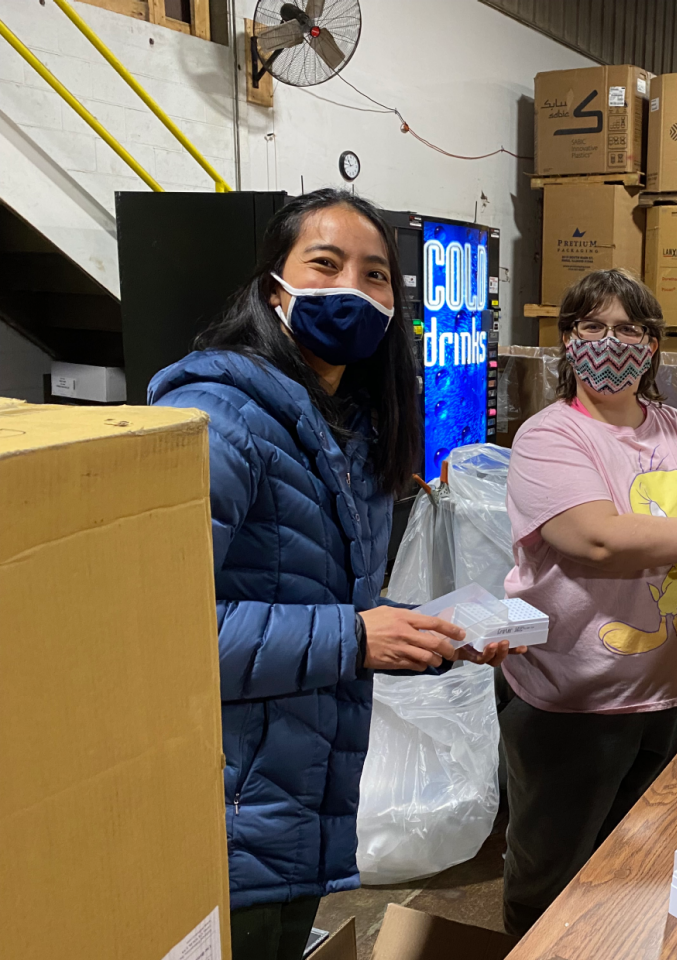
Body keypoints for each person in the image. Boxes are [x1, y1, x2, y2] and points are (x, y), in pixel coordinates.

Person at [150, 189, 515, 960]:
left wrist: (433, 634)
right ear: (272, 287)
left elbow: (320, 600)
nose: (353, 286)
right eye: (326, 263)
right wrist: (355, 637)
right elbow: (166, 635)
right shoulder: (222, 420)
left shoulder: (351, 425)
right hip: (229, 806)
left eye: (375, 273)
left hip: (302, 795)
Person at [497, 268, 677, 935]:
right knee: (556, 875)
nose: (611, 342)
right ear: (568, 341)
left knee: (642, 866)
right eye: (592, 325)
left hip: (674, 695)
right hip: (575, 704)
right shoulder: (550, 437)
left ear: (652, 345)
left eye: (629, 328)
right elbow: (598, 538)